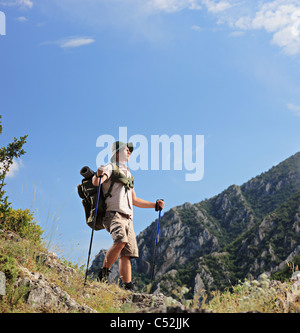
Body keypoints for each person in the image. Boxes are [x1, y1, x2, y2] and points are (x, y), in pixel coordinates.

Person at [92, 141, 165, 291]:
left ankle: (128, 287)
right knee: (120, 240)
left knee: (127, 253)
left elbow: (135, 200)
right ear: (117, 153)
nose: (130, 152)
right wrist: (98, 175)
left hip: (128, 218)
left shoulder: (129, 175)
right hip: (113, 214)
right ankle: (103, 274)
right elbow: (96, 182)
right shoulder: (110, 167)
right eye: (127, 149)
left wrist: (154, 205)